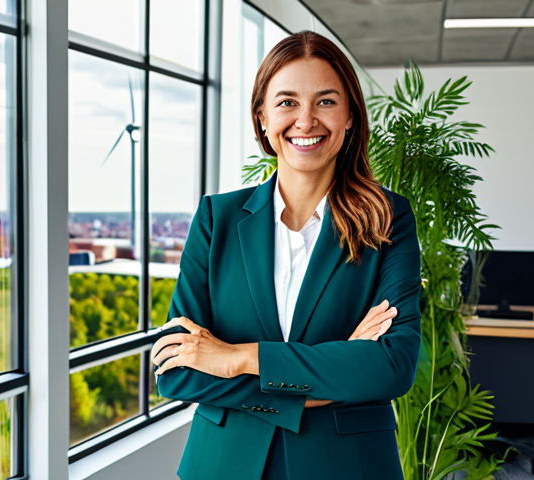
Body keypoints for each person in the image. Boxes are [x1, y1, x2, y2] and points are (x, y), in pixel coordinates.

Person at [151, 30, 421, 480]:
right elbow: (177, 369)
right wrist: (335, 369)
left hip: (346, 467)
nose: (306, 120)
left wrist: (237, 357)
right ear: (262, 118)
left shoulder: (387, 219)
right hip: (223, 465)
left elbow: (391, 367)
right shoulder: (216, 219)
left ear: (351, 115)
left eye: (326, 102)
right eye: (287, 102)